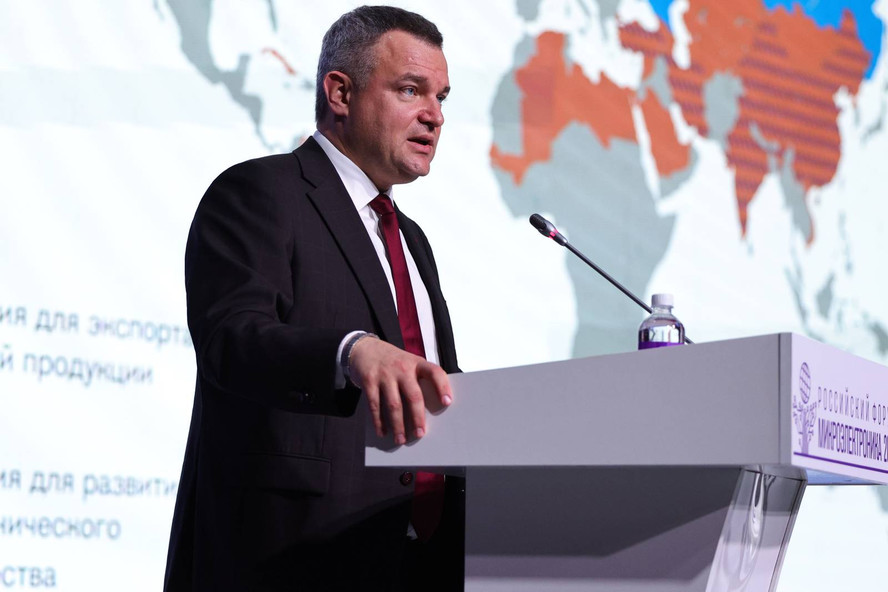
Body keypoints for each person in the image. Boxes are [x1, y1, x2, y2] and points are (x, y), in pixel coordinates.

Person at [163, 6, 463, 591]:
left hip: (422, 563)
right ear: (340, 93)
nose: (434, 115)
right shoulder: (260, 192)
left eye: (442, 97)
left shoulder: (412, 240)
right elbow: (232, 339)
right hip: (294, 561)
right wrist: (351, 351)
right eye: (410, 90)